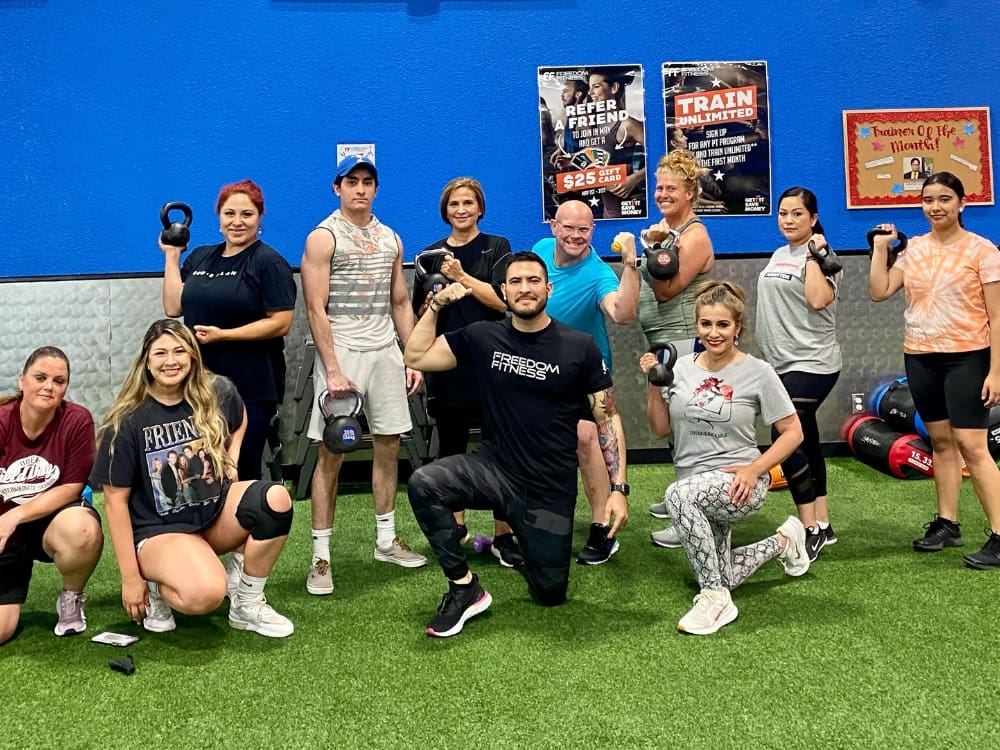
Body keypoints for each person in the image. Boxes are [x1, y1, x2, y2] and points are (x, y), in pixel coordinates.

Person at [404, 251, 629, 637]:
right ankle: (464, 588)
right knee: (425, 484)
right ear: (504, 291)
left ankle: (528, 539)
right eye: (516, 282)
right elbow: (416, 355)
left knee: (551, 592)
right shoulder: (483, 336)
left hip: (548, 487)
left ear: (548, 288)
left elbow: (607, 417)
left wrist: (618, 488)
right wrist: (437, 304)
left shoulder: (579, 346)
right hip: (494, 469)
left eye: (533, 281)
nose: (525, 289)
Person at [91, 319, 295, 637]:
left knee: (274, 500)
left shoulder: (212, 394)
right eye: (160, 353)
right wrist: (131, 578)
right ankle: (159, 585)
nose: (170, 361)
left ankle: (247, 604)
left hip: (211, 518)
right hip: (159, 531)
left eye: (179, 351)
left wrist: (232, 458)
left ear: (192, 356)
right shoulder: (126, 421)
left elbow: (240, 417)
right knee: (205, 595)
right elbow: (115, 503)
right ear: (146, 360)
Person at [640, 280, 809, 635]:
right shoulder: (682, 368)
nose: (713, 333)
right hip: (693, 483)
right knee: (723, 569)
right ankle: (784, 541)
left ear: (737, 327)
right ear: (697, 325)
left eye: (722, 325)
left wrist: (756, 468)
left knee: (676, 497)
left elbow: (794, 431)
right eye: (706, 324)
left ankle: (715, 599)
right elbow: (659, 430)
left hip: (739, 482)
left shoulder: (758, 372)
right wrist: (655, 386)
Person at [301, 155, 426, 596]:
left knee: (390, 445)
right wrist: (332, 369)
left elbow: (399, 302)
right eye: (351, 182)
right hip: (343, 354)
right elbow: (315, 308)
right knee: (332, 453)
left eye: (367, 182)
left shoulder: (391, 237)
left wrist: (413, 357)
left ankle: (386, 540)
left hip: (385, 352)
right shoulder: (323, 236)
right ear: (337, 188)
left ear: (375, 189)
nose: (360, 189)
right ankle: (320, 557)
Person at [869, 172, 1000, 569]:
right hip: (921, 357)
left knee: (973, 447)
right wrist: (880, 248)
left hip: (968, 357)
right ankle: (947, 523)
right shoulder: (915, 250)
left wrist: (996, 372)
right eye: (928, 200)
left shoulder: (983, 251)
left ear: (962, 204)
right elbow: (879, 291)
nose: (936, 207)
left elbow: (997, 316)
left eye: (945, 199)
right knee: (941, 442)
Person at [411, 178, 519, 566]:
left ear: (480, 208)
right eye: (455, 204)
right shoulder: (427, 256)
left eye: (468, 203)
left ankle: (505, 536)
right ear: (446, 210)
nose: (461, 210)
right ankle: (454, 530)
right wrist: (434, 304)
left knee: (501, 448)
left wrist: (461, 278)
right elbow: (419, 317)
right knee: (451, 447)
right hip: (447, 363)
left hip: (493, 362)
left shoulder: (497, 248)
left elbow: (503, 302)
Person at [161, 179, 296, 481]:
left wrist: (225, 335)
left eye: (247, 214)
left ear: (259, 219)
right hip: (199, 382)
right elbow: (173, 307)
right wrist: (172, 256)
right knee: (200, 468)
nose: (237, 222)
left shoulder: (268, 262)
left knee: (241, 467)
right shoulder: (200, 256)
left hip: (251, 384)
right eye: (229, 214)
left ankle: (246, 526)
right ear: (219, 218)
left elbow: (281, 322)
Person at [532, 199, 639, 564]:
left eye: (584, 229)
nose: (576, 236)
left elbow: (622, 313)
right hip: (543, 370)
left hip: (586, 374)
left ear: (593, 231)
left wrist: (630, 263)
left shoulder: (598, 274)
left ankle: (601, 528)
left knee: (588, 439)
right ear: (553, 227)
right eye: (568, 227)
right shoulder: (541, 250)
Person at [755, 187, 843, 561]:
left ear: (813, 218)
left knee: (785, 433)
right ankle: (823, 522)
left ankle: (809, 528)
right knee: (805, 440)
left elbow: (818, 300)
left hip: (813, 363)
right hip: (780, 363)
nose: (788, 220)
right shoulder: (779, 253)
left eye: (797, 214)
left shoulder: (823, 257)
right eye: (783, 213)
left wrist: (813, 257)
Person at [634, 151, 716, 544]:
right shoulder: (668, 233)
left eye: (672, 188)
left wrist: (643, 254)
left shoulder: (695, 234)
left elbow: (667, 291)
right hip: (664, 338)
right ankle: (682, 495)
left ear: (690, 193)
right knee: (674, 429)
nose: (662, 194)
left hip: (684, 337)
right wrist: (656, 243)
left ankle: (690, 518)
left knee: (684, 427)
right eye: (659, 187)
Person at [0, 347, 102, 645]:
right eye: (40, 377)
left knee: (82, 530)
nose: (49, 386)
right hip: (4, 533)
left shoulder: (77, 420)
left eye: (59, 381)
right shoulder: (3, 420)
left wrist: (15, 516)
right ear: (22, 381)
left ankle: (71, 599)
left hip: (49, 522)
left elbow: (72, 486)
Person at [587, 68, 647, 218]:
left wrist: (634, 179)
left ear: (614, 88)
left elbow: (662, 156)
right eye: (589, 87)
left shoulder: (627, 125)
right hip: (606, 207)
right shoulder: (592, 125)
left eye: (596, 86)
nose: (590, 93)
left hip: (628, 209)